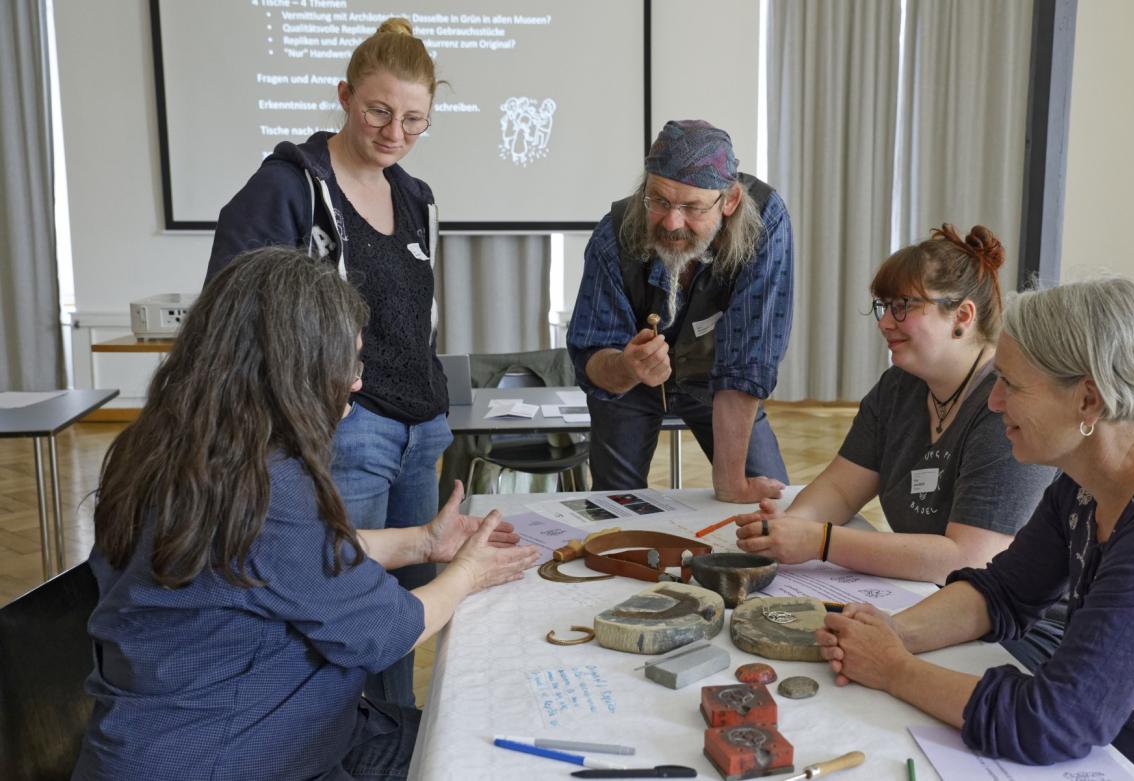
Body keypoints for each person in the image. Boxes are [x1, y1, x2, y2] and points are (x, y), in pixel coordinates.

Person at [73, 248, 538, 781]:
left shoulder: (174, 448)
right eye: (350, 363)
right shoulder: (261, 487)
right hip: (230, 757)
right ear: (295, 367)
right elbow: (387, 630)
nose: (357, 382)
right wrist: (470, 574)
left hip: (195, 737)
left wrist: (422, 543)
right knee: (496, 757)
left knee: (476, 741)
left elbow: (293, 561)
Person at [816, 277, 1134, 779]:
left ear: (1088, 400)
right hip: (1123, 752)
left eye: (1010, 384)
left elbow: (1056, 719)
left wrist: (894, 668)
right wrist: (890, 633)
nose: (994, 402)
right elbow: (1004, 592)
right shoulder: (1088, 482)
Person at [205, 18, 447, 707]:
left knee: (401, 607)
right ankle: (337, 736)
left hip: (419, 430)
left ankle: (390, 733)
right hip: (347, 429)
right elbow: (232, 312)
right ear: (344, 96)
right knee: (344, 604)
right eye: (378, 111)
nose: (395, 132)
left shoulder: (416, 197)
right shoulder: (289, 187)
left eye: (414, 120)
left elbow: (416, 318)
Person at [733, 226, 1057, 588]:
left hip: (1009, 611)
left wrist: (820, 541)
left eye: (902, 307)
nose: (885, 322)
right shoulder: (899, 387)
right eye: (884, 306)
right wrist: (791, 525)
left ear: (962, 316)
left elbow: (969, 558)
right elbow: (841, 489)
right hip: (930, 592)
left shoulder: (1006, 404)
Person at [567, 119, 793, 502]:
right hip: (631, 388)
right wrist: (626, 367)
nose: (672, 222)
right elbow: (590, 355)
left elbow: (749, 359)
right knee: (614, 507)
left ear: (730, 201)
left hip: (721, 379)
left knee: (769, 504)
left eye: (692, 207)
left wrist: (731, 484)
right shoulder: (614, 235)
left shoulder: (764, 224)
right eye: (659, 201)